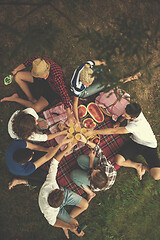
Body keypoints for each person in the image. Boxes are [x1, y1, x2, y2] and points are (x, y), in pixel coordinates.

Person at [85, 102, 160, 180]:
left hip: (149, 146)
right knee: (118, 160)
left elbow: (113, 131)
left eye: (125, 115)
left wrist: (93, 132)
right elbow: (124, 116)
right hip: (135, 142)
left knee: (156, 176)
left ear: (133, 118)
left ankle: (145, 167)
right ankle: (137, 165)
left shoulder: (135, 126)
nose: (123, 115)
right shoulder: (135, 111)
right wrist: (119, 122)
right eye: (124, 113)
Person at [1, 56, 74, 123]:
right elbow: (30, 61)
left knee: (36, 108)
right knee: (17, 76)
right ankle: (31, 98)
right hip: (42, 82)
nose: (45, 77)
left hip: (52, 90)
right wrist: (16, 70)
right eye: (41, 76)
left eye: (46, 75)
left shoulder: (57, 77)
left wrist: (69, 114)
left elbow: (64, 94)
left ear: (48, 68)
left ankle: (15, 98)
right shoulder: (40, 63)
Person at [38, 142, 88, 239]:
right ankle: (65, 225)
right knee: (75, 223)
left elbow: (55, 161)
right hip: (58, 210)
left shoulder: (50, 183)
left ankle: (65, 222)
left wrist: (66, 149)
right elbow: (53, 222)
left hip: (59, 199)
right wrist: (69, 227)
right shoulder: (48, 211)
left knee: (85, 205)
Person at [7, 135, 71, 189]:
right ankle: (20, 181)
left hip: (14, 162)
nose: (33, 152)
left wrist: (47, 150)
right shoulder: (26, 170)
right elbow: (46, 157)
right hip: (19, 172)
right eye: (31, 156)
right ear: (27, 162)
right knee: (44, 180)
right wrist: (60, 144)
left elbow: (34, 147)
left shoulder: (16, 144)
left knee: (44, 151)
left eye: (30, 151)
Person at [70, 135, 117, 202]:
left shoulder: (94, 186)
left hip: (95, 179)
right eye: (96, 170)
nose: (94, 170)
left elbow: (91, 170)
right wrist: (85, 141)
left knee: (73, 174)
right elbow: (98, 149)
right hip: (100, 166)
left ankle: (90, 193)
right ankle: (85, 170)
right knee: (80, 159)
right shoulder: (105, 166)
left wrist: (91, 159)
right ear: (102, 171)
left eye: (92, 174)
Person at [70, 60, 106, 124]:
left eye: (90, 83)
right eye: (87, 84)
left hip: (86, 75)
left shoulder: (86, 66)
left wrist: (102, 63)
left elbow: (94, 62)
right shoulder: (78, 87)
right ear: (81, 81)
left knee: (102, 68)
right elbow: (75, 103)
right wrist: (77, 120)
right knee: (103, 84)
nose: (88, 85)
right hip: (82, 92)